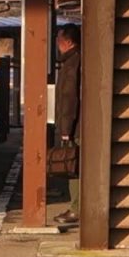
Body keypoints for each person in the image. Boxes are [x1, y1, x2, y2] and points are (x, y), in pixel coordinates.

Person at [53, 23, 81, 225]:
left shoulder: (72, 64)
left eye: (58, 39)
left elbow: (69, 98)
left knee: (72, 166)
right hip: (77, 125)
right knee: (75, 165)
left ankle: (76, 209)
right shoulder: (75, 60)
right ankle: (76, 207)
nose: (56, 43)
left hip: (75, 127)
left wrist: (65, 130)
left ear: (68, 42)